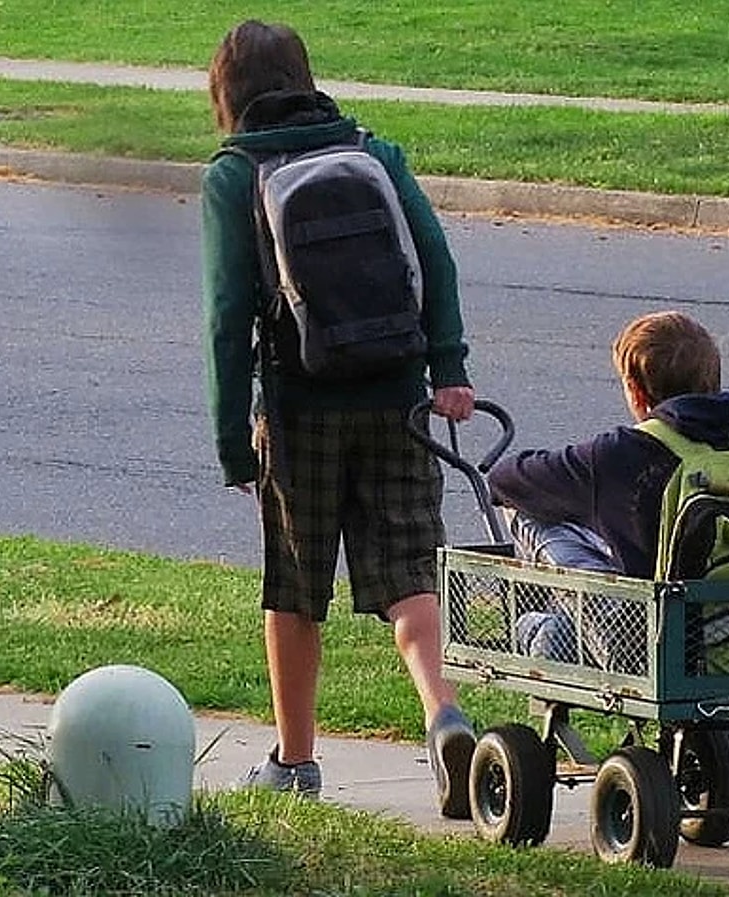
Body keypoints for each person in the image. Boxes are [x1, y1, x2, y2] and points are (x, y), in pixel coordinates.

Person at [200, 20, 475, 818]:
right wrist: (447, 366)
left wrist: (233, 444)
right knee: (409, 573)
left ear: (226, 93)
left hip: (299, 406)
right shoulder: (372, 150)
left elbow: (226, 318)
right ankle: (444, 713)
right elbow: (436, 258)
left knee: (295, 586)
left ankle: (295, 760)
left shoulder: (234, 176)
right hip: (398, 395)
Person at [486, 311, 729, 665]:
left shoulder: (621, 453)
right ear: (714, 375)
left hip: (653, 651)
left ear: (635, 389)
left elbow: (504, 479)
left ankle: (546, 629)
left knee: (529, 513)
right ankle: (558, 628)